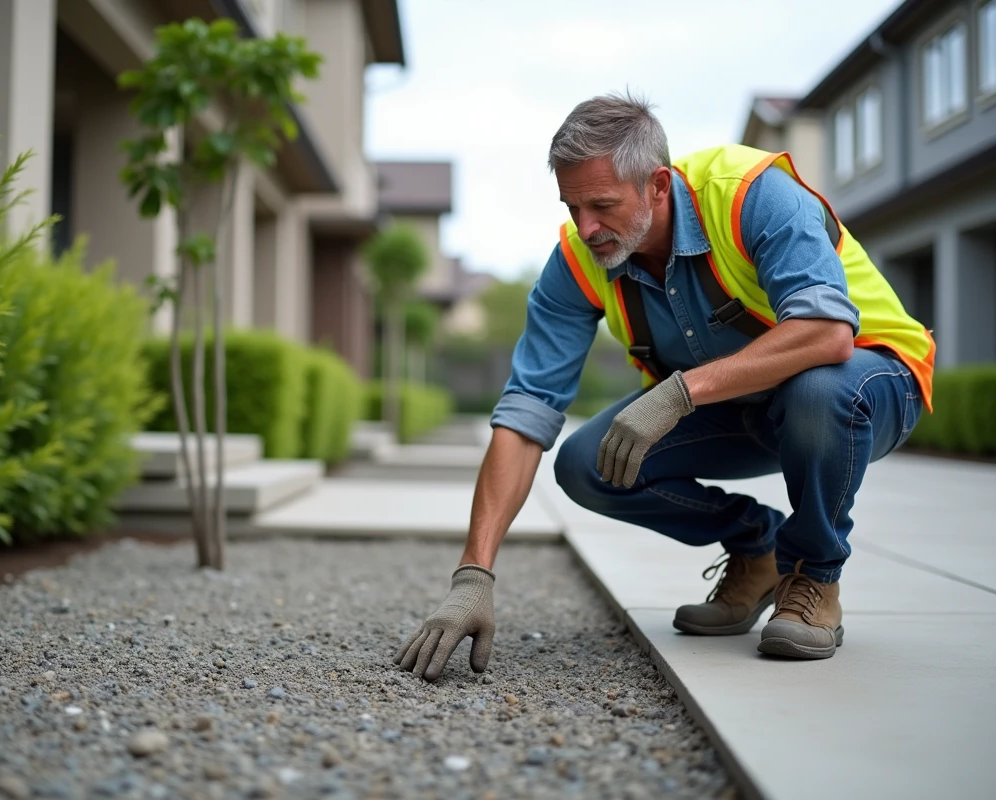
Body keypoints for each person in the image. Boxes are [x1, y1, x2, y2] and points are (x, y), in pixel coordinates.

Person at [394, 91, 934, 680]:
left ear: (657, 184)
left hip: (871, 383)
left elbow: (826, 335)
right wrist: (474, 574)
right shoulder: (578, 261)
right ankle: (757, 549)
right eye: (572, 206)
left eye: (601, 205)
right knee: (586, 464)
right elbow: (525, 413)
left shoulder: (751, 195)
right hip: (750, 408)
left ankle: (813, 577)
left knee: (817, 390)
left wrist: (676, 395)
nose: (585, 228)